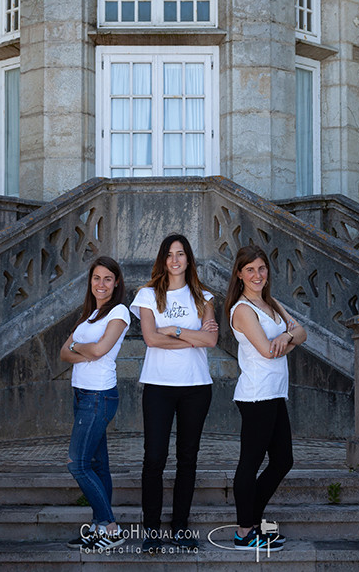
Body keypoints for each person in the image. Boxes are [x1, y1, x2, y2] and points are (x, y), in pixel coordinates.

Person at [130, 233, 218, 553]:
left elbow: (210, 342)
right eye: (169, 254)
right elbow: (151, 339)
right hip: (158, 385)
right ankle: (152, 531)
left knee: (187, 458)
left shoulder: (204, 297)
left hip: (196, 386)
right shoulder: (147, 295)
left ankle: (180, 528)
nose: (175, 259)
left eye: (180, 253)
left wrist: (176, 330)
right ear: (163, 259)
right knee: (154, 458)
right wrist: (191, 337)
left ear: (188, 259)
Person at [224, 245, 307, 551]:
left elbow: (303, 333)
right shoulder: (243, 310)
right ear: (239, 274)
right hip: (257, 394)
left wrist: (286, 336)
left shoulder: (271, 303)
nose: (257, 275)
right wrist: (289, 336)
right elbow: (266, 350)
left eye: (261, 268)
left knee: (284, 460)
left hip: (274, 392)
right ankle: (245, 532)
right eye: (250, 270)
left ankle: (252, 522)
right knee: (250, 462)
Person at [59, 256, 130, 552]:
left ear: (116, 284)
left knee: (78, 464)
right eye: (96, 278)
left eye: (107, 279)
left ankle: (110, 526)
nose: (101, 284)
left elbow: (100, 350)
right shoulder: (90, 315)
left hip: (99, 395)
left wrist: (80, 348)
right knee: (98, 465)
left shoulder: (120, 312)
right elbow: (64, 352)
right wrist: (81, 349)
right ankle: (101, 527)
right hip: (81, 394)